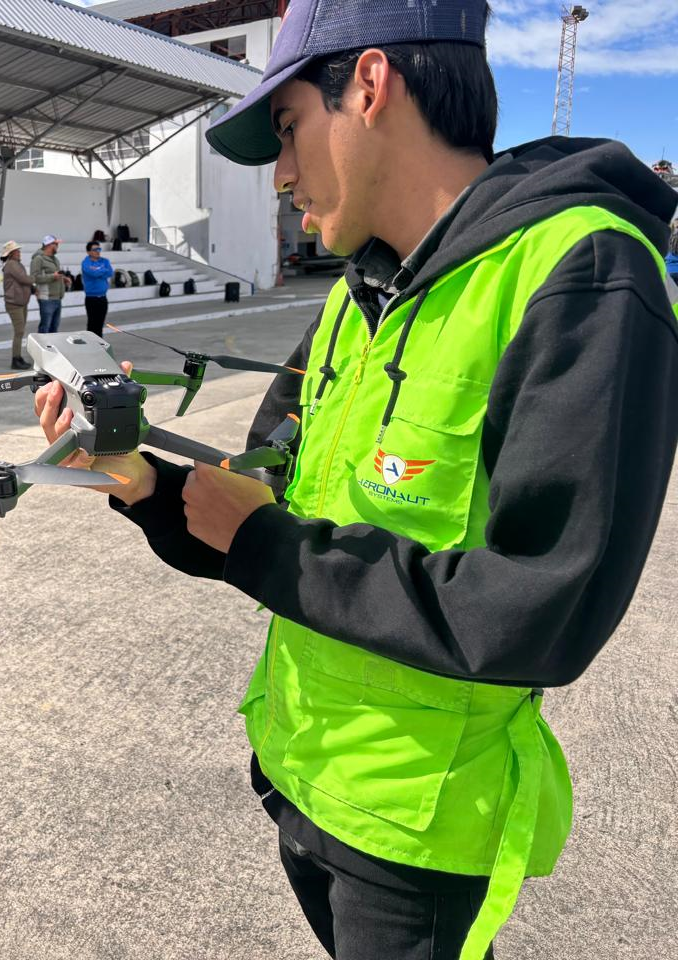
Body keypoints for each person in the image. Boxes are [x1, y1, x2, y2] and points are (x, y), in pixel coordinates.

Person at [34, 2, 678, 958]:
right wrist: (139, 482)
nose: (281, 172)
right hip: (297, 770)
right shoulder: (353, 296)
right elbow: (273, 513)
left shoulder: (579, 272)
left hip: (414, 829)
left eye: (289, 129)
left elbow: (546, 608)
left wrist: (261, 541)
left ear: (369, 87)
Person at [0, 239, 35, 369]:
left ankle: (18, 357)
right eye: (17, 251)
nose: (19, 253)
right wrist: (36, 278)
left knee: (20, 332)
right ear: (11, 253)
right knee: (19, 332)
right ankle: (15, 359)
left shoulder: (14, 264)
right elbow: (24, 279)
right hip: (15, 303)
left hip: (19, 302)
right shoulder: (12, 265)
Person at [30, 234, 70, 333]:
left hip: (57, 297)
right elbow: (34, 278)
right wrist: (53, 277)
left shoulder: (55, 259)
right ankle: (41, 348)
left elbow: (54, 274)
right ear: (48, 245)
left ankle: (51, 348)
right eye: (56, 244)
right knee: (45, 328)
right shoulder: (38, 259)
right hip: (46, 298)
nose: (57, 246)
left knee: (54, 328)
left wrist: (63, 279)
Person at [79, 240, 114, 337]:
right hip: (92, 298)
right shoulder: (85, 262)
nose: (98, 251)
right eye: (95, 249)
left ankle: (100, 345)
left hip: (103, 298)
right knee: (92, 324)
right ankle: (91, 346)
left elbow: (110, 272)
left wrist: (98, 270)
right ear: (89, 252)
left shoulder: (105, 261)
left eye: (99, 249)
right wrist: (102, 270)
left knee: (100, 324)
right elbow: (93, 273)